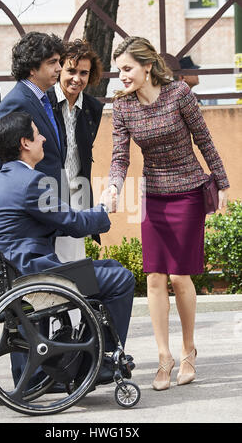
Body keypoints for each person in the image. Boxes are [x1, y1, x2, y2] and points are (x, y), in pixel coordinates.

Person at [103, 36, 230, 390]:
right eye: (119, 70)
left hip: (188, 191)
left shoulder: (178, 95)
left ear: (147, 66)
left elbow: (204, 139)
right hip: (154, 195)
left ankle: (189, 351)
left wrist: (221, 183)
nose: (122, 76)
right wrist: (114, 185)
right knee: (154, 278)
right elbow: (119, 156)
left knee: (178, 277)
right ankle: (164, 357)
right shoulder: (124, 107)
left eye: (127, 68)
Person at [0, 111, 135, 383]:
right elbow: (71, 222)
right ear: (25, 143)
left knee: (110, 268)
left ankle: (44, 373)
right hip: (35, 280)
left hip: (11, 277)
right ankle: (93, 364)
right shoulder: (30, 183)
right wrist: (103, 211)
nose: (44, 140)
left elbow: (45, 222)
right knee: (121, 278)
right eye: (38, 134)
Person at [0, 32, 66, 194]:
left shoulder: (46, 98)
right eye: (52, 62)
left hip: (53, 195)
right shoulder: (16, 102)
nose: (59, 68)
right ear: (32, 69)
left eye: (59, 61)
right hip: (30, 199)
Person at [47, 39, 104, 261]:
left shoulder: (93, 108)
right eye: (71, 70)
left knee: (74, 261)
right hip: (48, 190)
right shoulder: (44, 101)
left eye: (84, 73)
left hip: (77, 192)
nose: (77, 78)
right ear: (59, 69)